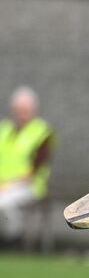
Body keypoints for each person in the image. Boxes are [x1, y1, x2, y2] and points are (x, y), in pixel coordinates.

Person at [0, 86, 56, 245]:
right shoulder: (4, 130)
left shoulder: (42, 132)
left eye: (25, 110)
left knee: (3, 202)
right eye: (18, 110)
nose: (21, 114)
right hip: (2, 184)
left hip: (29, 186)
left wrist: (9, 184)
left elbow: (37, 167)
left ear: (34, 110)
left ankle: (12, 239)